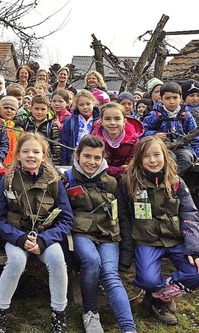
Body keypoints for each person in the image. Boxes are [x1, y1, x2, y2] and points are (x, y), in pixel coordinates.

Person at [0, 133, 72, 333]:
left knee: (58, 260)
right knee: (17, 261)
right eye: (25, 151)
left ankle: (59, 315)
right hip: (16, 237)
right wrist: (18, 238)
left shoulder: (54, 181)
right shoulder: (8, 180)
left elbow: (66, 219)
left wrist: (44, 240)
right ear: (17, 155)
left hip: (45, 236)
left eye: (36, 152)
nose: (31, 156)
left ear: (44, 156)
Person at [119, 136, 199, 325]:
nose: (152, 160)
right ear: (139, 159)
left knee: (198, 274)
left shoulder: (176, 183)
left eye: (157, 155)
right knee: (148, 281)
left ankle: (158, 298)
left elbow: (190, 214)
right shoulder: (128, 183)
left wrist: (195, 249)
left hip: (175, 239)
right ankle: (156, 294)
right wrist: (126, 251)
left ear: (165, 156)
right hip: (146, 240)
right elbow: (124, 217)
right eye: (147, 156)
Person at [66, 136, 136, 333]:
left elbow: (122, 217)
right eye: (87, 156)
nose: (91, 162)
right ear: (78, 156)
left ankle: (128, 328)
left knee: (110, 274)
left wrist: (126, 251)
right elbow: (62, 214)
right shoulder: (67, 180)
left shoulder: (112, 183)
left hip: (108, 236)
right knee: (91, 260)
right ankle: (90, 312)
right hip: (81, 233)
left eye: (97, 158)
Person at [142, 81, 199, 175]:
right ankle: (165, 178)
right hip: (162, 148)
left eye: (175, 98)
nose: (171, 101)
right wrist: (154, 135)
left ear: (181, 98)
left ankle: (173, 177)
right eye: (167, 98)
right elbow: (143, 131)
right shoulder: (155, 114)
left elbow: (193, 135)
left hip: (183, 147)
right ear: (161, 99)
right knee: (169, 158)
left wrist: (198, 155)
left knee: (187, 159)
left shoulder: (186, 115)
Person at [91, 102, 143, 181]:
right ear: (101, 121)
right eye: (107, 119)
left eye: (117, 119)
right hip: (99, 176)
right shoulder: (94, 138)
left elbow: (131, 165)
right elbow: (95, 165)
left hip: (126, 177)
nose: (112, 123)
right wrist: (120, 170)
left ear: (124, 121)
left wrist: (124, 170)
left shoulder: (132, 139)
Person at [16, 95, 61, 166]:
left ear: (48, 110)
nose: (39, 112)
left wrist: (55, 164)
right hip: (27, 159)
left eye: (43, 109)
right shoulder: (25, 123)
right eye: (36, 108)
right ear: (31, 109)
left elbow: (56, 147)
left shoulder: (52, 126)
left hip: (45, 161)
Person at [61, 90, 101, 166]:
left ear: (93, 103)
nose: (85, 107)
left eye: (88, 104)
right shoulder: (71, 121)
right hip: (74, 157)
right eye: (81, 105)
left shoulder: (99, 121)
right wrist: (64, 163)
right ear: (77, 106)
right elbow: (64, 141)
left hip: (93, 158)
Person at [0, 96, 23, 166]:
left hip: (12, 165)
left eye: (12, 109)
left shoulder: (18, 130)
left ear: (16, 112)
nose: (9, 110)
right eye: (6, 107)